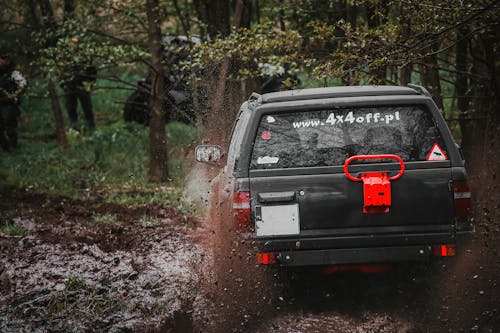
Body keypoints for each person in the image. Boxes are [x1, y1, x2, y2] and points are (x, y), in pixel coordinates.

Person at [60, 37, 97, 129]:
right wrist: (63, 84)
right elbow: (61, 71)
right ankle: (74, 127)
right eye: (72, 43)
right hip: (70, 86)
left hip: (83, 86)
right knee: (71, 109)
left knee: (87, 108)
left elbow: (93, 71)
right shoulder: (66, 57)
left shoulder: (85, 57)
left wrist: (90, 84)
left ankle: (91, 127)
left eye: (75, 43)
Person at [0, 56, 27, 150]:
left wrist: (15, 94)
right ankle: (5, 146)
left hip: (8, 104)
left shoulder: (13, 73)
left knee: (9, 125)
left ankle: (13, 146)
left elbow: (23, 84)